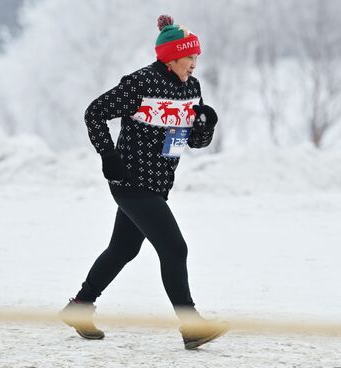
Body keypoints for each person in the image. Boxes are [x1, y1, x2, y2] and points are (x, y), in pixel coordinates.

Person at [60, 15, 227, 350]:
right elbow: (95, 112)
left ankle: (80, 306)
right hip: (130, 180)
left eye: (196, 57)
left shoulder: (190, 89)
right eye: (189, 57)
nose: (195, 63)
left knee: (123, 249)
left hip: (158, 183)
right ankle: (190, 324)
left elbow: (184, 142)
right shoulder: (141, 84)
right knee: (175, 248)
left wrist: (205, 126)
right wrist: (108, 154)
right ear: (171, 57)